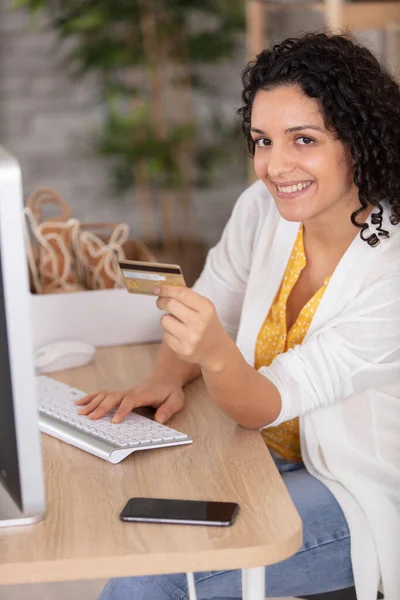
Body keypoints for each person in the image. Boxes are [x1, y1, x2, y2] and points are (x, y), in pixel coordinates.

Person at [76, 32, 400, 599]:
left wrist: (213, 354)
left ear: (360, 139)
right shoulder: (264, 210)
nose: (274, 166)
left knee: (158, 575)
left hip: (359, 490)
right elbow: (217, 298)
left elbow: (261, 403)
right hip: (266, 455)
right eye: (261, 141)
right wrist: (161, 381)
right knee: (128, 509)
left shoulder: (391, 271)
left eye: (303, 139)